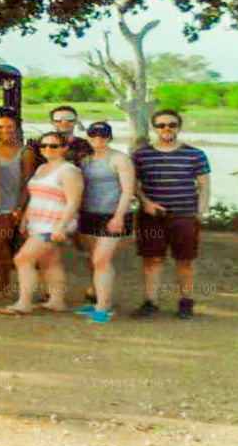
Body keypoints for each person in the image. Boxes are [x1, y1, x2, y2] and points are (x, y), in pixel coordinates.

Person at [131, 110, 210, 319]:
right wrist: (145, 202)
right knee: (152, 260)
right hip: (152, 217)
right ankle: (150, 302)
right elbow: (133, 185)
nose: (167, 128)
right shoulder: (141, 155)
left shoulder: (195, 154)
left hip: (184, 216)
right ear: (154, 128)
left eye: (172, 125)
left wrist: (199, 212)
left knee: (185, 261)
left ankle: (186, 302)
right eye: (161, 125)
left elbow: (204, 185)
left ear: (179, 127)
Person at [0, 131, 84, 315]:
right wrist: (26, 218)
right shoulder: (41, 168)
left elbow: (74, 202)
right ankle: (56, 301)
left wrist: (61, 227)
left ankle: (24, 302)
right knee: (50, 262)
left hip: (55, 223)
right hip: (37, 221)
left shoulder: (69, 170)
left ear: (64, 148)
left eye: (54, 146)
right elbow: (35, 195)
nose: (48, 149)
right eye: (44, 146)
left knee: (23, 259)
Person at [73, 121, 135, 324]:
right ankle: (98, 301)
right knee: (93, 260)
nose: (98, 139)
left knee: (101, 260)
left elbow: (127, 190)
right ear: (88, 137)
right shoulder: (85, 160)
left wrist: (118, 217)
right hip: (89, 214)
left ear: (109, 137)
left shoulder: (119, 159)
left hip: (113, 215)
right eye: (93, 135)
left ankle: (104, 308)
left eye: (103, 135)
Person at [0, 110, 34, 298]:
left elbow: (26, 182)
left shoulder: (25, 151)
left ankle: (3, 282)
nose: (6, 130)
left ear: (17, 128)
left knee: (0, 245)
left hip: (9, 207)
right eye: (1, 127)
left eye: (10, 126)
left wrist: (20, 208)